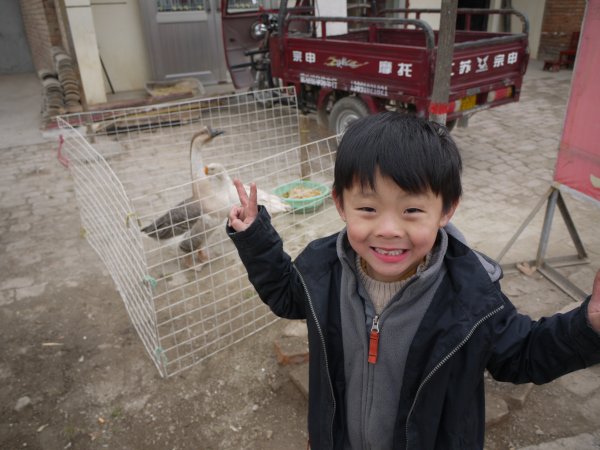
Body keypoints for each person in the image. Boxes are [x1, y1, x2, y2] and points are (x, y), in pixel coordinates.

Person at [226, 112, 600, 449]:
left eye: (412, 211)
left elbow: (523, 355)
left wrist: (589, 325)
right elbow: (286, 295)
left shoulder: (471, 296)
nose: (388, 230)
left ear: (447, 209)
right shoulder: (324, 269)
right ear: (340, 204)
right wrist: (255, 237)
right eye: (368, 209)